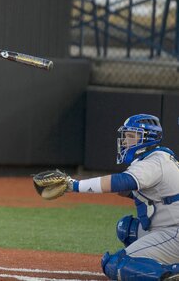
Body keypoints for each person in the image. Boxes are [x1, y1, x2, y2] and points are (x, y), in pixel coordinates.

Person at [63, 114, 179, 280]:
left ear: (147, 138)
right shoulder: (157, 158)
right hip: (169, 228)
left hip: (174, 232)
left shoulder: (154, 161)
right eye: (126, 136)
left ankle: (172, 270)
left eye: (131, 136)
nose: (125, 141)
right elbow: (142, 194)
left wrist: (74, 185)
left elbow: (123, 181)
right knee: (127, 229)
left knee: (116, 266)